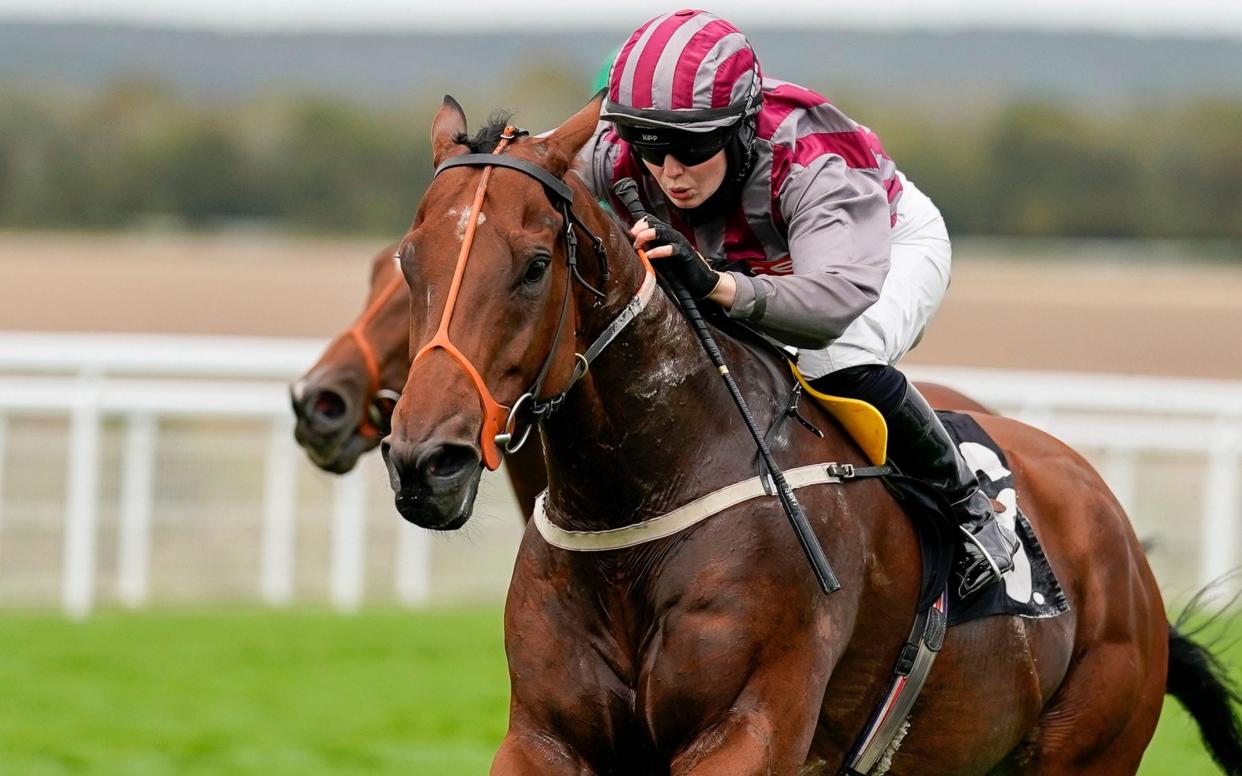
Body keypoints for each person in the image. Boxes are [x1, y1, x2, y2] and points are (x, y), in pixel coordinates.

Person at [574, 8, 1018, 598]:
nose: (669, 171)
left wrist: (714, 286)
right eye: (650, 148)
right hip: (751, 263)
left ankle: (972, 509)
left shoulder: (809, 159)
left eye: (690, 147)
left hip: (875, 249)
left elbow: (830, 305)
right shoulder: (619, 154)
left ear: (738, 127)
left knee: (834, 357)